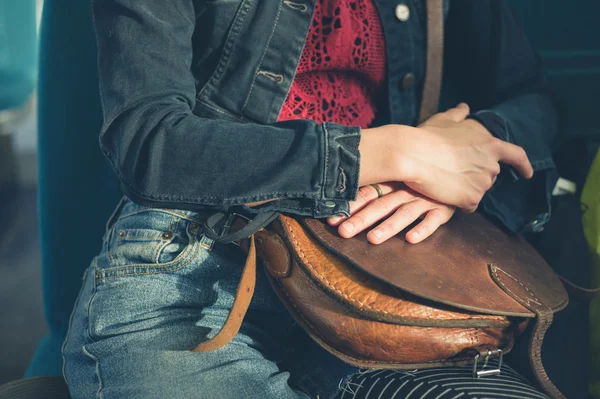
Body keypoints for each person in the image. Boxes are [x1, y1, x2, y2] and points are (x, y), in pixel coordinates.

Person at [62, 0, 559, 397]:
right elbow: (151, 143)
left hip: (389, 281)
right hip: (189, 275)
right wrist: (395, 152)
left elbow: (530, 98)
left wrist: (465, 149)